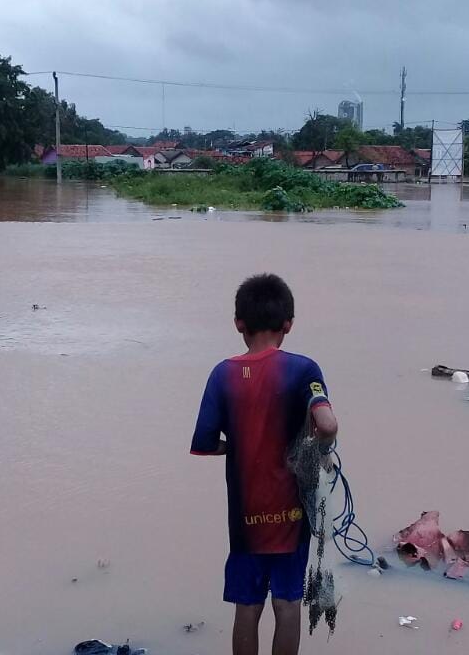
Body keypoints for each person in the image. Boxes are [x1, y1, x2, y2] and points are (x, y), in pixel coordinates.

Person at [190, 274, 339, 655]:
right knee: (288, 603)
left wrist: (237, 445)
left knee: (248, 604)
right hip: (291, 515)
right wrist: (318, 448)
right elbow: (327, 424)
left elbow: (205, 442)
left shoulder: (222, 374)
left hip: (245, 516)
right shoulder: (304, 370)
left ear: (239, 323)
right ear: (288, 324)